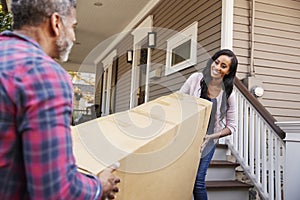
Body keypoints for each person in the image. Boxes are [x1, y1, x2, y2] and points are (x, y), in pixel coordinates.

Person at [0, 0, 120, 199]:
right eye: (73, 27)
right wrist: (99, 185)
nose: (73, 37)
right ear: (56, 23)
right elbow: (56, 191)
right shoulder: (43, 73)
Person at [180, 49, 238, 200]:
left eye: (223, 66)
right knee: (182, 179)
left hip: (208, 141)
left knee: (198, 183)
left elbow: (232, 126)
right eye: (216, 62)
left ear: (228, 71)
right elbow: (179, 101)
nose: (217, 67)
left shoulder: (228, 93)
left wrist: (211, 136)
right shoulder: (196, 79)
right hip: (187, 137)